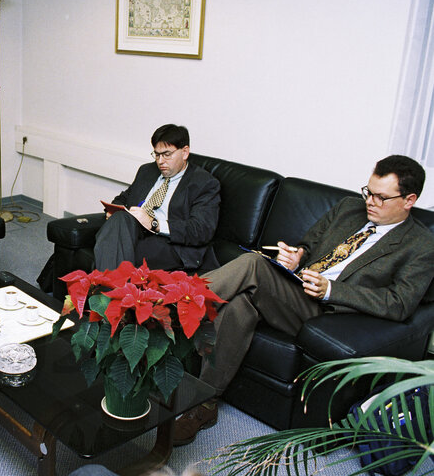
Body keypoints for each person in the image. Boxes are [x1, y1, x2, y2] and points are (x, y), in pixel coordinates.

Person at [173, 155, 434, 445]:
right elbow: (309, 246)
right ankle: (204, 406)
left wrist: (332, 290)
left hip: (332, 315)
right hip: (298, 289)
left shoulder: (421, 245)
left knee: (252, 265)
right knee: (239, 304)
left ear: (409, 200)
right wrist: (296, 258)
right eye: (368, 191)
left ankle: (174, 304)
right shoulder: (349, 208)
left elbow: (399, 302)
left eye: (381, 197)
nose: (370, 201)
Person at [93, 124, 221, 272]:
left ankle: (103, 289)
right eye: (157, 154)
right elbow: (124, 198)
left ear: (185, 152)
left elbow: (201, 230)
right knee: (119, 222)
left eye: (167, 154)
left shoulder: (203, 183)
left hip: (170, 241)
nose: (160, 161)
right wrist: (113, 210)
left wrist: (154, 223)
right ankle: (113, 291)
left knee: (111, 246)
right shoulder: (147, 171)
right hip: (135, 230)